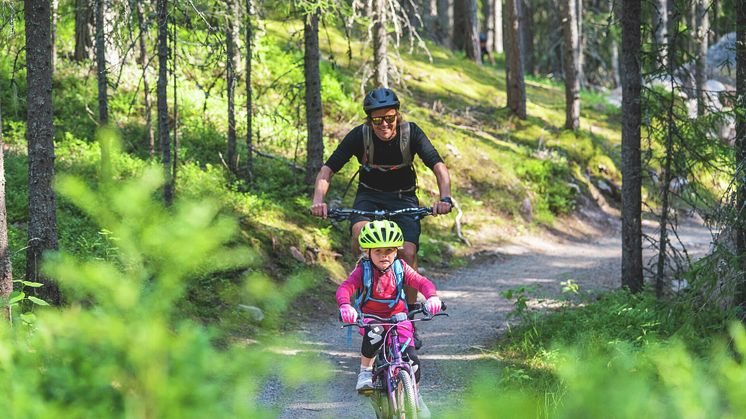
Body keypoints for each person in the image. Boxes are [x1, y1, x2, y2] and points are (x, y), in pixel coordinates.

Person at [310, 87, 452, 347]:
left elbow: (438, 166)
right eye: (377, 120)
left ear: (397, 115)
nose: (384, 124)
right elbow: (328, 169)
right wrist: (318, 200)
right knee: (360, 233)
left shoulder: (412, 133)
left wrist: (445, 198)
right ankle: (366, 275)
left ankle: (407, 318)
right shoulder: (360, 136)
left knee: (407, 253)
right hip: (369, 196)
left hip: (403, 197)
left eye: (390, 118)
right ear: (369, 120)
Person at [337, 220, 441, 417]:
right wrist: (345, 305)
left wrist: (432, 297)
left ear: (396, 251)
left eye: (389, 251)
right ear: (367, 252)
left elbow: (422, 282)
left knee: (412, 359)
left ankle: (415, 398)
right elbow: (345, 288)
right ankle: (365, 372)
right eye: (378, 251)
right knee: (375, 333)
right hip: (371, 317)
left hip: (398, 317)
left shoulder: (400, 267)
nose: (384, 256)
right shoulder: (363, 270)